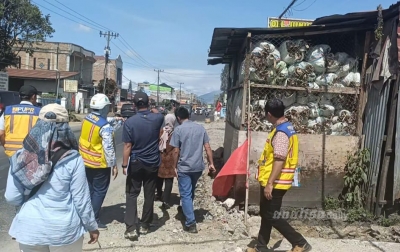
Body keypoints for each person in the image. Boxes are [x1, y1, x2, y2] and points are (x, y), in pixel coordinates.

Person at [5, 103, 99, 251]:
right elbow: (81, 201)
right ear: (65, 127)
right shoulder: (73, 159)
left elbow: (11, 197)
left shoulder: (20, 156)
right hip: (64, 231)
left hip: (30, 228)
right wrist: (92, 227)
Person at [246, 99, 311, 252]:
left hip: (276, 182)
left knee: (271, 215)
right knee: (266, 213)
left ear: (269, 114)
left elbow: (279, 159)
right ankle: (261, 246)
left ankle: (300, 242)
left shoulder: (281, 132)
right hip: (275, 181)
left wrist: (270, 183)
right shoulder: (286, 127)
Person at [122, 91, 164, 240]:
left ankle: (132, 228)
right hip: (152, 162)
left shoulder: (129, 122)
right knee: (149, 193)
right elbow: (158, 112)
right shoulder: (157, 118)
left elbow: (127, 145)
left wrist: (124, 165)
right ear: (148, 104)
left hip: (136, 162)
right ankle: (145, 224)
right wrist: (151, 109)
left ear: (134, 105)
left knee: (132, 194)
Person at [79, 93, 124, 230]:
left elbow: (102, 121)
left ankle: (87, 214)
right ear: (104, 108)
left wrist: (116, 120)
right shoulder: (105, 127)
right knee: (99, 191)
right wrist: (114, 165)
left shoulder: (87, 118)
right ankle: (93, 220)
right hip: (99, 163)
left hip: (85, 160)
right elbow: (109, 148)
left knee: (90, 189)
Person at [170, 107, 215, 233]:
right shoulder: (200, 128)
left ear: (178, 118)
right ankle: (186, 210)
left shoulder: (178, 130)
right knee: (190, 191)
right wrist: (211, 163)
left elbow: (175, 151)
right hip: (197, 167)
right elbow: (208, 147)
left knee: (185, 193)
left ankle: (190, 223)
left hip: (184, 167)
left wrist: (174, 166)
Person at [0, 85, 40, 157]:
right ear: (33, 96)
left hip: (11, 151)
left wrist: (6, 146)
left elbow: (1, 133)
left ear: (19, 96)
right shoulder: (39, 112)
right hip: (30, 152)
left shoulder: (7, 111)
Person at [156, 114, 177, 208]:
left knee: (159, 178)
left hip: (160, 158)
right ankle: (166, 200)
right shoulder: (175, 134)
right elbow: (177, 148)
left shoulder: (160, 132)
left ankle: (159, 194)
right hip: (171, 160)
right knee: (169, 180)